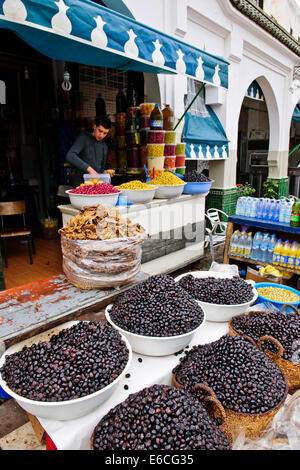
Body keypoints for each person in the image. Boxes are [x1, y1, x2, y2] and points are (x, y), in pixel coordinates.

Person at [66, 116, 115, 187]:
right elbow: (70, 155)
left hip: (96, 186)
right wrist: (90, 169)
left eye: (105, 133)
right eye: (100, 131)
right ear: (94, 126)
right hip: (81, 185)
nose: (101, 135)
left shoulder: (104, 147)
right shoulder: (84, 138)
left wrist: (105, 172)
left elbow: (100, 170)